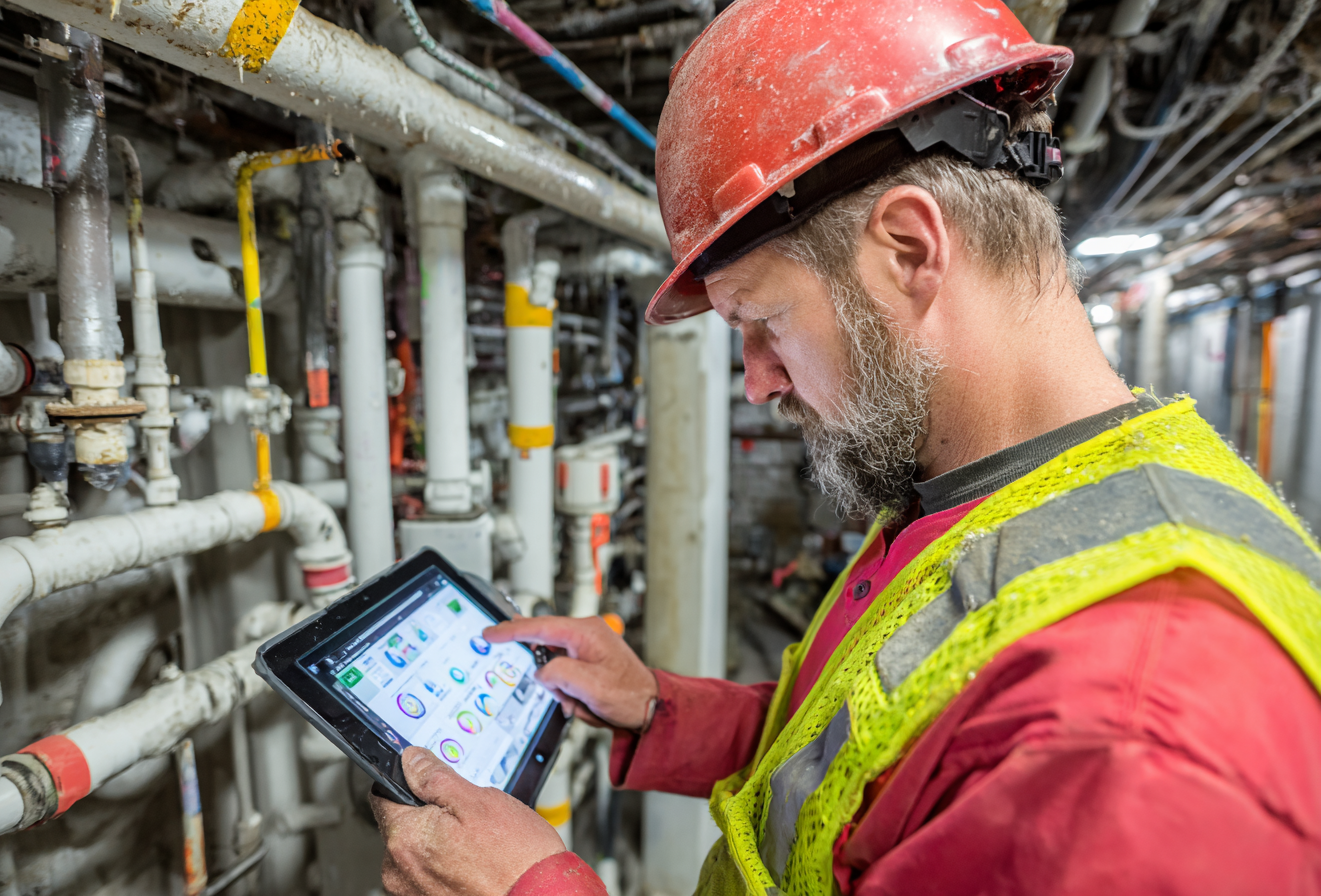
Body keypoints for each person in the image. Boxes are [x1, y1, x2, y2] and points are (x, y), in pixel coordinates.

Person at [371, 0, 1321, 891]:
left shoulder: (1133, 744)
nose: (756, 381)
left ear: (910, 250)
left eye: (762, 321)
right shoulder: (982, 501)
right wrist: (657, 708)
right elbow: (867, 775)